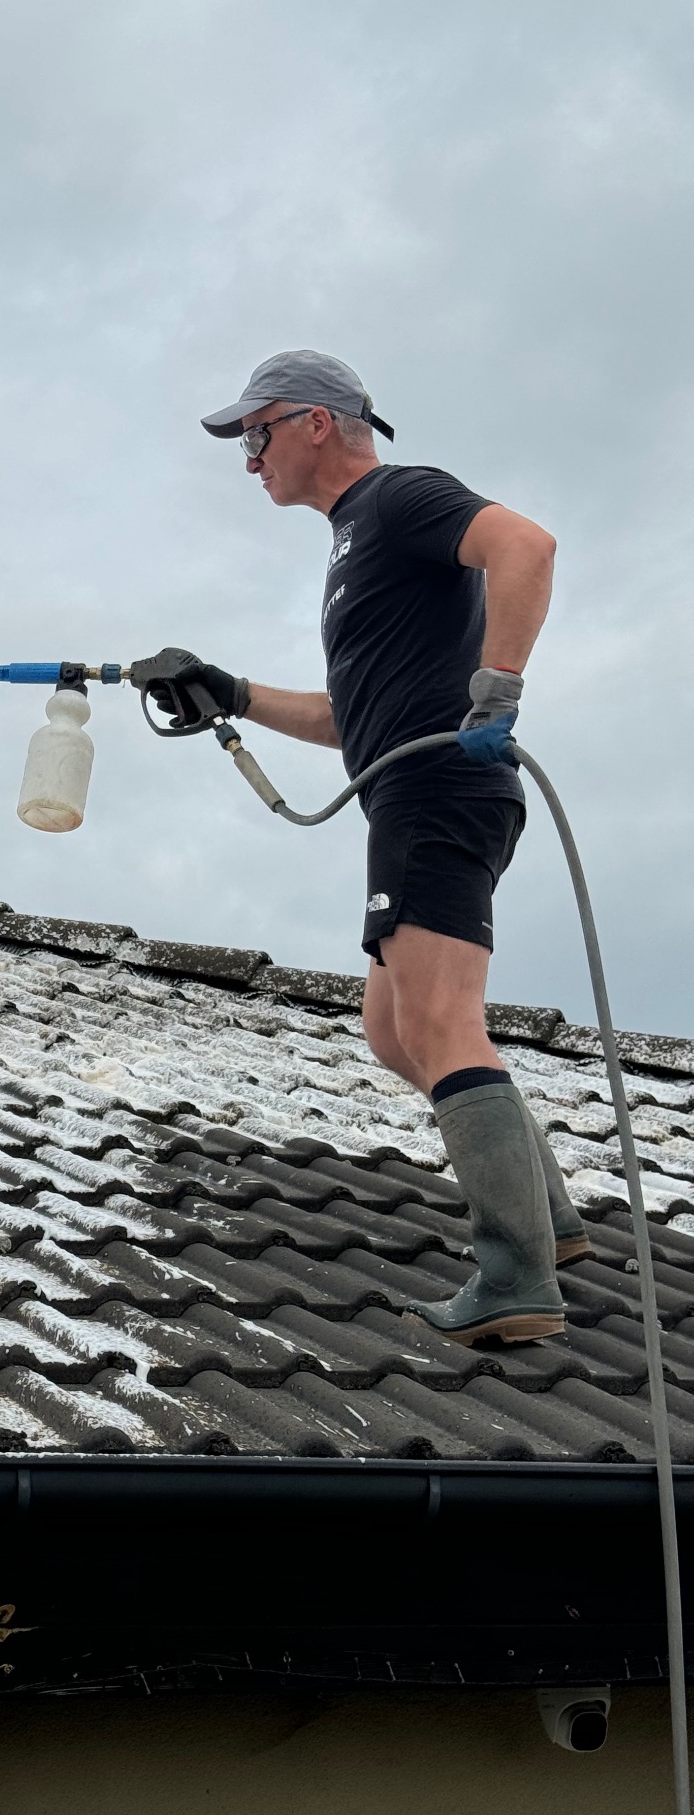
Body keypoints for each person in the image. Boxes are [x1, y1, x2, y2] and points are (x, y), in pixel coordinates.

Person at [153, 348, 584, 1345]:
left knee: (438, 1022)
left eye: (253, 435)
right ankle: (552, 1226)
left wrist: (501, 687)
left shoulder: (399, 499)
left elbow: (530, 545)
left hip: (439, 783)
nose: (247, 458)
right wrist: (230, 691)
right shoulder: (357, 545)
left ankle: (516, 1278)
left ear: (312, 423)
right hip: (411, 787)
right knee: (395, 1029)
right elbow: (353, 717)